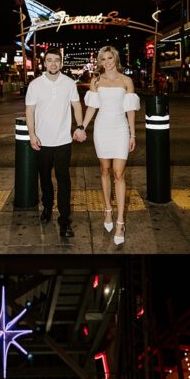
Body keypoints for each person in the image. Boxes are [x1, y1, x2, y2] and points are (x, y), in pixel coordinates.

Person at [78, 46, 140, 246]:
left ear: (116, 58)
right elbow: (92, 108)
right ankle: (107, 210)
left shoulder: (126, 81)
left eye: (110, 57)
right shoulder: (96, 81)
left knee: (118, 174)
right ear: (100, 61)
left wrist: (132, 133)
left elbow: (130, 109)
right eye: (103, 58)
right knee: (104, 169)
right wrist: (82, 127)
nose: (107, 61)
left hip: (120, 129)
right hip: (102, 128)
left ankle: (120, 221)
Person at [25, 47, 85, 239]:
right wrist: (32, 134)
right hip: (42, 142)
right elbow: (29, 111)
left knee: (64, 181)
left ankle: (65, 221)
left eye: (56, 60)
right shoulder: (35, 85)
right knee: (44, 179)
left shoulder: (69, 83)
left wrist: (80, 126)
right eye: (49, 60)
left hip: (63, 142)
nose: (53, 64)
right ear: (45, 63)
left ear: (61, 62)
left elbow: (76, 105)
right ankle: (48, 207)